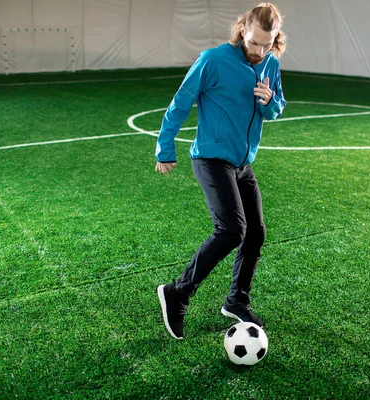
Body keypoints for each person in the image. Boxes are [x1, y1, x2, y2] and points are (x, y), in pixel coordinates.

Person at [155, 3, 286, 339]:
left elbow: (277, 109)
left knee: (255, 231)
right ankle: (177, 293)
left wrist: (269, 101)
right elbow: (180, 102)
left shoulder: (271, 63)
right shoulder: (213, 60)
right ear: (243, 30)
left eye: (266, 44)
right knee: (231, 230)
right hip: (211, 157)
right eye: (254, 42)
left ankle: (236, 301)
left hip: (242, 164)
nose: (259, 51)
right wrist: (165, 148)